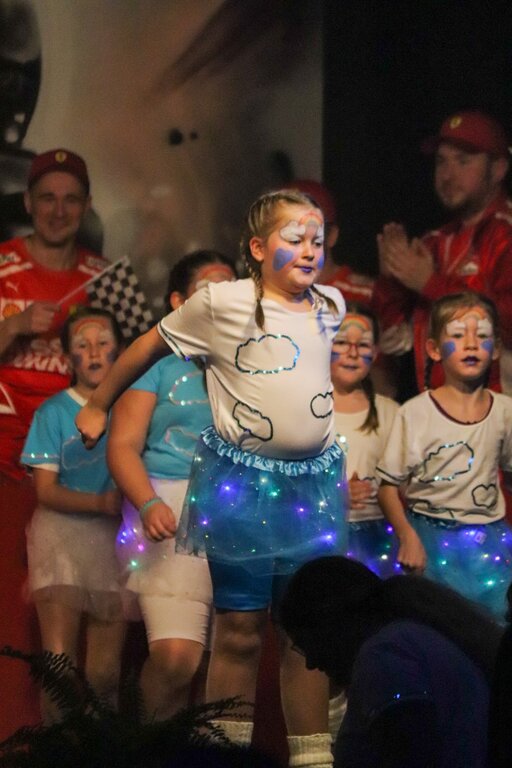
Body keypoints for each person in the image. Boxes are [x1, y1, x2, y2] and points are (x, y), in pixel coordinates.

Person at [75, 189, 347, 768]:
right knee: (241, 627)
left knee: (305, 632)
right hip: (244, 488)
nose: (308, 250)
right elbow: (147, 346)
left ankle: (313, 760)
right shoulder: (222, 303)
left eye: (317, 240)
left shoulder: (331, 305)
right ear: (258, 248)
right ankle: (223, 758)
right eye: (294, 239)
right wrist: (99, 403)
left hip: (312, 488)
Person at [0, 148, 109, 739]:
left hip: (76, 470)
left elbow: (128, 366)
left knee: (72, 613)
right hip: (4, 463)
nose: (58, 210)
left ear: (86, 206)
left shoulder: (103, 278)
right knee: (10, 609)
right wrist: (14, 327)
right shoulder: (3, 267)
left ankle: (74, 739)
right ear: (27, 202)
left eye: (71, 199)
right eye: (47, 198)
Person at [108, 250, 236, 720]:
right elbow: (122, 445)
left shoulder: (251, 361)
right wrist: (146, 503)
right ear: (180, 302)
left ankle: (196, 751)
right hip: (169, 505)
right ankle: (144, 747)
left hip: (238, 512)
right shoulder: (155, 363)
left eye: (230, 288)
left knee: (226, 664)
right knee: (177, 658)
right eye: (209, 288)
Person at [280, 555, 502, 768]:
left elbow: (411, 753)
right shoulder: (408, 638)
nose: (311, 664)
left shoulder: (385, 656)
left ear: (329, 627)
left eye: (307, 644)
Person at [377, 291, 512, 622]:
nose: (471, 345)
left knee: (492, 625)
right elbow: (388, 486)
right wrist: (407, 536)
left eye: (482, 336)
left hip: (488, 542)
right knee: (435, 627)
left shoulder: (505, 412)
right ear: (434, 349)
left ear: (496, 348)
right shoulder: (415, 413)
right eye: (458, 335)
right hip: (430, 540)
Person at [20, 307, 125, 722]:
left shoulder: (132, 409)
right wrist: (100, 504)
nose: (94, 352)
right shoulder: (53, 413)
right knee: (61, 666)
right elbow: (45, 491)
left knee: (105, 672)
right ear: (68, 358)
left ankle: (102, 749)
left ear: (120, 350)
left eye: (103, 342)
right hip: (61, 539)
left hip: (117, 543)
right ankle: (57, 747)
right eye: (83, 345)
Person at [374, 110, 512, 394]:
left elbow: (507, 326)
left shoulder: (506, 232)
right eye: (441, 162)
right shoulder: (433, 242)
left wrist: (430, 284)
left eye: (463, 161)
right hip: (437, 411)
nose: (447, 175)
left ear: (498, 169)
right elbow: (396, 342)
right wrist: (391, 284)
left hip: (498, 414)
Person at [331, 303, 399, 577]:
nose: (352, 352)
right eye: (341, 342)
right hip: (321, 536)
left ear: (376, 352)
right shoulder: (307, 409)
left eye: (363, 345)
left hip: (377, 539)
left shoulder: (390, 413)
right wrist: (333, 495)